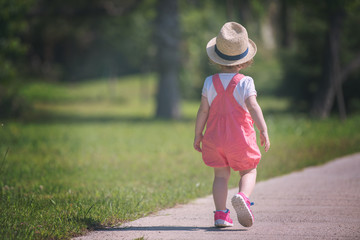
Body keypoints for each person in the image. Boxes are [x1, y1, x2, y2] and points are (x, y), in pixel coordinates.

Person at [193, 22, 270, 228]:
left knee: (220, 175)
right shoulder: (245, 82)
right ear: (244, 61)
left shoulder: (209, 81)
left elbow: (203, 111)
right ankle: (243, 197)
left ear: (217, 58)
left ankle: (220, 215)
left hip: (214, 138)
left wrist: (198, 134)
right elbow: (253, 107)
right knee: (249, 171)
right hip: (240, 139)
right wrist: (263, 129)